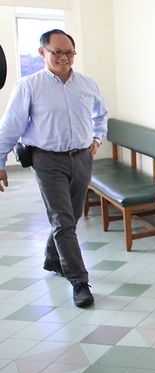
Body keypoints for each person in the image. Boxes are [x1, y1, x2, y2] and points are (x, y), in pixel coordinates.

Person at [0, 29, 108, 308]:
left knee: (69, 217)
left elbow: (100, 114)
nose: (64, 58)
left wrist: (96, 138)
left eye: (69, 52)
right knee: (62, 219)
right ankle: (79, 281)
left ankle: (52, 258)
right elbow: (10, 127)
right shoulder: (29, 85)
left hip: (82, 157)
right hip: (47, 160)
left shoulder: (87, 83)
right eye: (56, 52)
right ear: (42, 52)